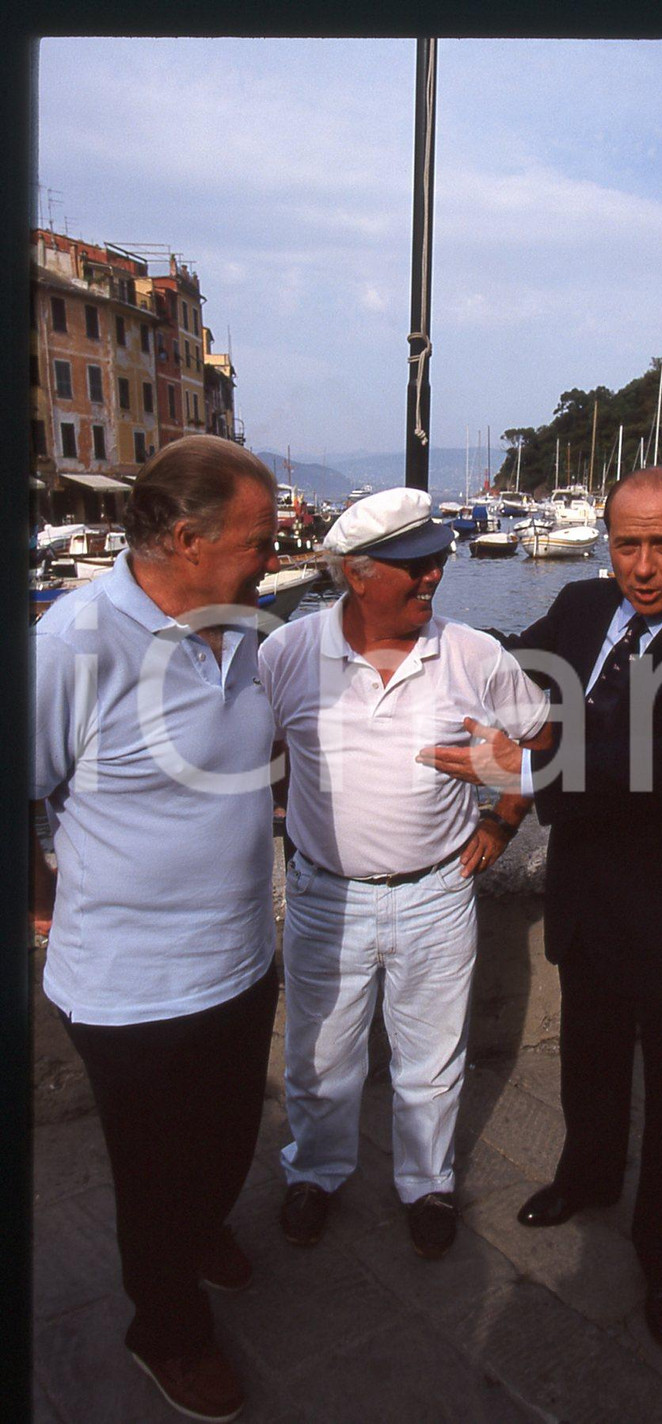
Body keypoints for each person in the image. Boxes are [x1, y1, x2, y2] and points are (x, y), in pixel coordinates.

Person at [417, 467, 662, 1347]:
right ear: (605, 541)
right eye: (628, 543)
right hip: (587, 892)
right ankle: (586, 1178)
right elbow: (514, 664)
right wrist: (417, 642)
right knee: (587, 1055)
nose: (645, 566)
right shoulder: (584, 608)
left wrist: (524, 772)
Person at [32, 435, 283, 1422]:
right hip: (132, 981)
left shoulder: (243, 622)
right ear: (186, 539)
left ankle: (200, 1224)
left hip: (239, 952)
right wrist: (36, 894)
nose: (274, 551)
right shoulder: (77, 641)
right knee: (154, 1167)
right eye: (259, 537)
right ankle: (165, 1327)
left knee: (227, 1137)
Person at [258, 487, 550, 1260]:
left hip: (436, 894)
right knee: (318, 1060)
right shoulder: (286, 653)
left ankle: (427, 1184)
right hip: (325, 896)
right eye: (415, 565)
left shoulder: (473, 654)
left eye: (439, 561)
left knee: (431, 1060)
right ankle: (315, 1172)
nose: (434, 578)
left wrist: (503, 810)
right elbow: (253, 758)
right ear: (357, 574)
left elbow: (541, 736)